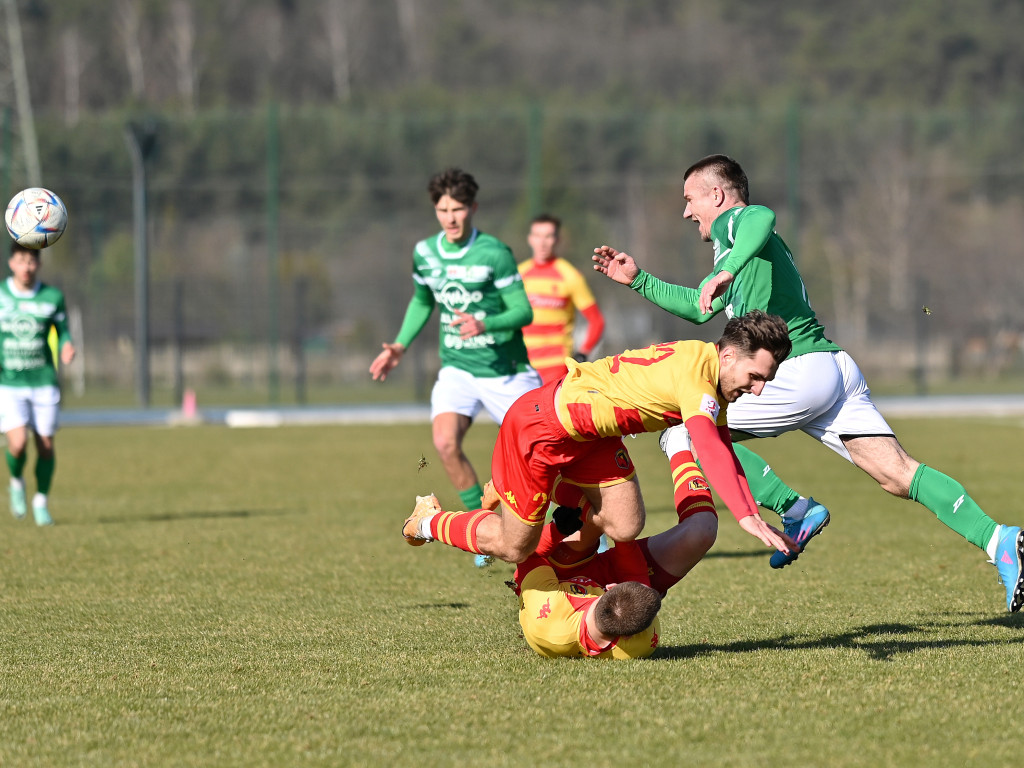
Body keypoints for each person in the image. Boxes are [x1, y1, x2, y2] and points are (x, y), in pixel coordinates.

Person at [592, 153, 1024, 613]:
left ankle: (791, 509)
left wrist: (727, 267)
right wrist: (639, 281)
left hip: (794, 370)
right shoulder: (736, 253)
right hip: (832, 368)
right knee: (898, 475)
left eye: (689, 199)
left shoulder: (735, 225)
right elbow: (700, 307)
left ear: (717, 195)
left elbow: (762, 215)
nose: (685, 211)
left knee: (684, 430)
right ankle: (1002, 540)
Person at [401, 310, 799, 567]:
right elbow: (707, 447)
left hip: (593, 439)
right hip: (543, 430)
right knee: (512, 547)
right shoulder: (698, 381)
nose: (759, 389)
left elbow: (724, 450)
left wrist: (752, 512)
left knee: (625, 525)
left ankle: (529, 499)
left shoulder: (711, 373)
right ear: (728, 356)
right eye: (756, 377)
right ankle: (429, 521)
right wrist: (745, 518)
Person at [369, 168, 542, 567]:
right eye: (443, 209)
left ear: (473, 208)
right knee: (445, 443)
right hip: (458, 370)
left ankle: (587, 530)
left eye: (459, 208)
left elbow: (523, 311)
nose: (451, 217)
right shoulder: (425, 253)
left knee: (543, 453)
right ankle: (478, 525)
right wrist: (399, 345)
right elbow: (423, 300)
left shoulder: (494, 253)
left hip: (506, 371)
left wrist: (486, 322)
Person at [510, 482, 719, 659]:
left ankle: (535, 473)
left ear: (608, 589)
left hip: (554, 576)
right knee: (702, 532)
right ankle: (678, 445)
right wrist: (622, 535)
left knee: (595, 505)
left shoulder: (550, 613)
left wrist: (557, 530)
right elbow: (639, 587)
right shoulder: (644, 640)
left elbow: (526, 554)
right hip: (619, 577)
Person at [1, 241, 76, 526]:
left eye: (31, 262)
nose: (26, 267)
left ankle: (41, 501)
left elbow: (63, 330)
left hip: (43, 380)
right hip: (8, 381)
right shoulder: (0, 295)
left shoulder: (52, 297)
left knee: (45, 445)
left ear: (39, 265)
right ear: (11, 263)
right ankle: (17, 481)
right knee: (18, 444)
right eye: (21, 261)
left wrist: (67, 346)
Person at [518, 214, 605, 383]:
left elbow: (596, 321)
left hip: (556, 367)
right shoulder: (518, 274)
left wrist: (583, 353)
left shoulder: (570, 275)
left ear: (557, 240)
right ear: (530, 239)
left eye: (548, 236)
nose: (542, 242)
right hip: (522, 365)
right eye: (537, 236)